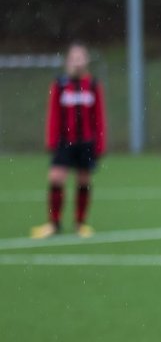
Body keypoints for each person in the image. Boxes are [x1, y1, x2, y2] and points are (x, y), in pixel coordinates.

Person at [31, 42, 106, 239]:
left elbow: (99, 117)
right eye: (74, 58)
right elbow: (53, 115)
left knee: (83, 180)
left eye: (81, 58)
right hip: (64, 142)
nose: (77, 62)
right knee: (56, 178)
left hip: (86, 143)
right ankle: (54, 223)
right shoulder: (60, 85)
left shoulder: (92, 85)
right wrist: (51, 141)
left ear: (87, 60)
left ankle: (80, 223)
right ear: (68, 61)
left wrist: (99, 144)